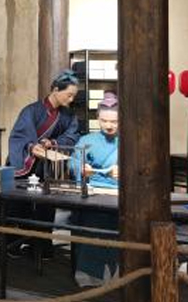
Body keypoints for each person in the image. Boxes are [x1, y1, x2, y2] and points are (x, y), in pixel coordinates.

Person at [6, 70, 80, 258]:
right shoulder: (31, 111)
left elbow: (72, 136)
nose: (71, 99)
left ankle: (41, 246)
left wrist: (52, 142)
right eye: (69, 95)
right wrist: (32, 147)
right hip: (24, 162)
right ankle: (14, 243)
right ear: (55, 90)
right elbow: (18, 137)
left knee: (45, 207)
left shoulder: (69, 116)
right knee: (18, 204)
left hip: (48, 166)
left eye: (74, 96)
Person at [70, 93, 120, 286]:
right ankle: (90, 275)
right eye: (104, 121)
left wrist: (125, 172)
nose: (109, 125)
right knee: (92, 221)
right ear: (97, 118)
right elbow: (74, 162)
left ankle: (118, 271)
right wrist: (82, 169)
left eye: (114, 121)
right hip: (93, 191)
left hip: (119, 192)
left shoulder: (130, 141)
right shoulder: (86, 140)